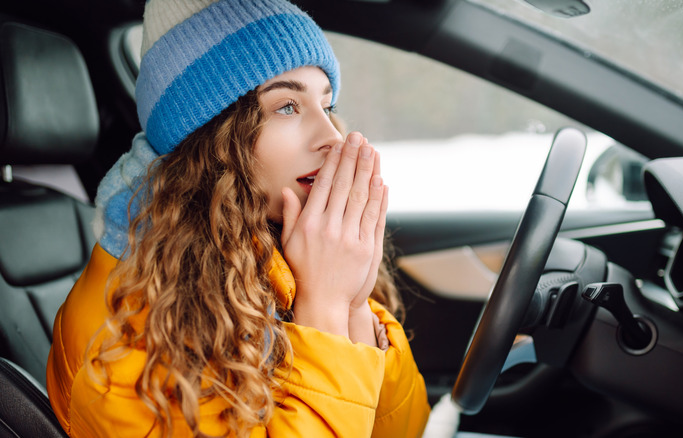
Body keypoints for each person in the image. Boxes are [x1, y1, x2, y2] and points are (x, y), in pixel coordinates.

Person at [46, 0, 430, 436]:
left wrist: (354, 311)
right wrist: (323, 310)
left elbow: (406, 429)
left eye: (327, 105)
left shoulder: (278, 246)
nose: (331, 137)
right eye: (287, 106)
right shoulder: (122, 337)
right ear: (213, 136)